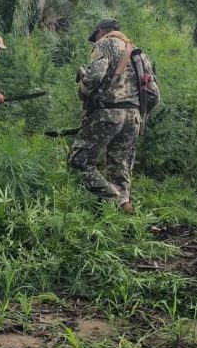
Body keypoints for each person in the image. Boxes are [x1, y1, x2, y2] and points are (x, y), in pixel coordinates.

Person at [67, 19, 160, 214]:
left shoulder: (105, 44)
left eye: (95, 37)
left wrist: (83, 91)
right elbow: (154, 95)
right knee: (120, 164)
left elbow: (94, 77)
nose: (95, 41)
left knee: (79, 161)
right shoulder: (139, 54)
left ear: (101, 32)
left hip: (108, 113)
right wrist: (138, 113)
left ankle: (114, 198)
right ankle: (125, 208)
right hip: (134, 117)